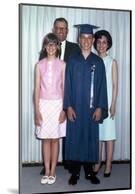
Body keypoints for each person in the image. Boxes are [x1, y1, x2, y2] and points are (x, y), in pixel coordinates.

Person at [63, 24, 108, 185]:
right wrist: (68, 106)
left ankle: (89, 173)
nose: (86, 41)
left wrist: (100, 107)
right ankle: (74, 173)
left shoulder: (98, 62)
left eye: (89, 38)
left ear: (93, 40)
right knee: (74, 139)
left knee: (90, 139)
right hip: (75, 108)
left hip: (91, 110)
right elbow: (67, 84)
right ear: (79, 39)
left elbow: (103, 86)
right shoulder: (73, 60)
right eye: (83, 38)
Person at [39, 18, 80, 174]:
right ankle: (48, 165)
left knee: (68, 131)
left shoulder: (75, 48)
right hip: (50, 99)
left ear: (67, 31)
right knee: (50, 132)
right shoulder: (45, 50)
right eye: (58, 28)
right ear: (53, 29)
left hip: (71, 95)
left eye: (64, 29)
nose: (61, 31)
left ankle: (69, 161)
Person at [34, 33, 66, 184]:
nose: (51, 47)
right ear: (45, 47)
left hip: (58, 104)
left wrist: (64, 109)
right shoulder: (39, 65)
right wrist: (36, 110)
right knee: (45, 139)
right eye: (48, 44)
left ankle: (53, 170)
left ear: (58, 46)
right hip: (43, 105)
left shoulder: (63, 64)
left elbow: (64, 88)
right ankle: (46, 170)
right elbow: (37, 89)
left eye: (54, 44)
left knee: (55, 139)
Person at [93, 30, 118, 177]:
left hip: (108, 103)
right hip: (96, 104)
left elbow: (115, 85)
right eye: (99, 42)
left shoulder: (112, 62)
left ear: (108, 44)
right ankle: (97, 162)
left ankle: (108, 164)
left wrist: (113, 104)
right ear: (95, 43)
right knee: (98, 136)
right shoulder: (94, 61)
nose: (101, 45)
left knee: (108, 135)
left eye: (104, 42)